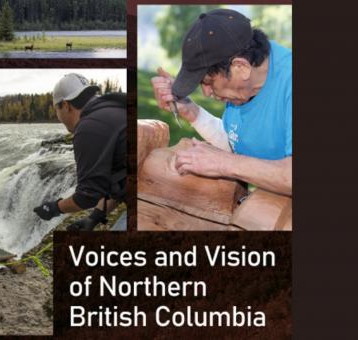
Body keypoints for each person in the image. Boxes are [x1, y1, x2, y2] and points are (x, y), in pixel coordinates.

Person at [151, 9, 292, 196]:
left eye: (209, 82)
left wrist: (224, 164)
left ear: (241, 67)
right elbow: (239, 143)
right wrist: (192, 112)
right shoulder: (243, 89)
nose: (207, 92)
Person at [33, 73, 127, 231]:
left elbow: (88, 196)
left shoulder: (88, 127)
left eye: (56, 109)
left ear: (65, 105)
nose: (58, 117)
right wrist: (95, 216)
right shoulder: (112, 110)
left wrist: (54, 208)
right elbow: (119, 179)